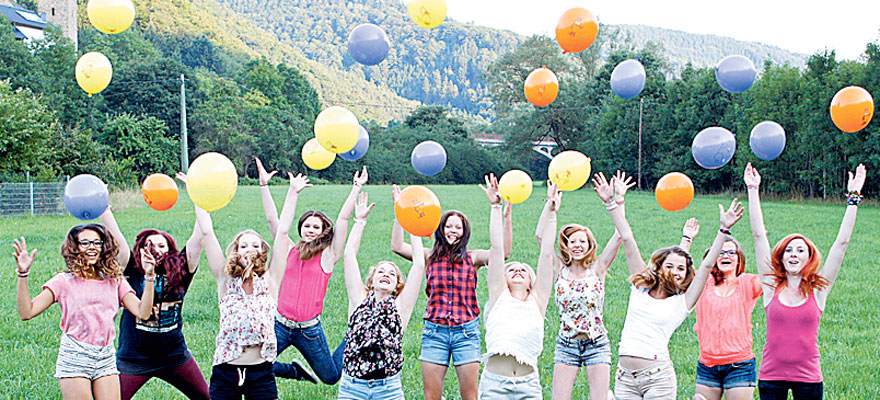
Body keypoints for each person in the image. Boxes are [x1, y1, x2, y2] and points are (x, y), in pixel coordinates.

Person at [595, 172, 743, 400]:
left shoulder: (683, 302)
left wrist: (723, 230)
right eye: (670, 266)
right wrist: (611, 203)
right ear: (659, 267)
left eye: (681, 269)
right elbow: (627, 237)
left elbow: (705, 266)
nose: (675, 271)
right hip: (624, 378)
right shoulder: (640, 286)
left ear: (686, 275)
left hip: (658, 378)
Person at [744, 162, 865, 400]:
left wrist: (853, 198)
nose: (793, 254)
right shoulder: (771, 287)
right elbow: (759, 236)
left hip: (808, 378)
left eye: (800, 250)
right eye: (789, 250)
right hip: (772, 377)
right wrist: (752, 189)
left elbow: (841, 245)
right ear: (781, 255)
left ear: (809, 258)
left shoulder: (819, 290)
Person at [390, 182, 513, 400]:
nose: (452, 231)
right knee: (432, 396)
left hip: (466, 332)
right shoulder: (428, 256)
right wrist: (400, 211)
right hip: (434, 332)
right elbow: (398, 246)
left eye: (458, 227)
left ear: (464, 232)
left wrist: (504, 216)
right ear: (440, 229)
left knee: (470, 395)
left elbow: (502, 253)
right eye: (448, 226)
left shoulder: (473, 257)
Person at [100, 172, 210, 400]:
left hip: (175, 355)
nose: (155, 249)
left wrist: (199, 197)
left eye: (161, 245)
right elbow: (115, 237)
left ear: (170, 250)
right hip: (134, 358)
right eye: (149, 245)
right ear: (140, 250)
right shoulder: (131, 270)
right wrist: (103, 206)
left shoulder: (181, 269)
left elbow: (200, 237)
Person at [15, 224, 156, 400]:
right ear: (75, 248)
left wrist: (150, 275)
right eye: (85, 243)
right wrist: (23, 273)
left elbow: (143, 312)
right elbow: (27, 312)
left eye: (97, 242)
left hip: (105, 356)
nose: (92, 247)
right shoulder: (63, 282)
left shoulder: (115, 281)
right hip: (75, 355)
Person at [258, 159, 367, 384]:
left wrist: (356, 187)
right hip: (280, 324)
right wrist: (266, 187)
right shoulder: (287, 249)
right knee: (255, 365)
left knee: (330, 377)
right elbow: (274, 220)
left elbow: (343, 219)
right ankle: (294, 371)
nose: (310, 230)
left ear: (323, 231)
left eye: (316, 227)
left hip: (309, 331)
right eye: (307, 225)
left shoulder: (328, 256)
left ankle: (355, 334)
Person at [539, 172, 632, 400]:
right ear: (566, 246)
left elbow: (621, 235)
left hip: (597, 343)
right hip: (567, 344)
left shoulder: (598, 269)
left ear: (590, 245)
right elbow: (542, 237)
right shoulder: (559, 270)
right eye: (573, 241)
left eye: (582, 241)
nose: (577, 245)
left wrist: (618, 200)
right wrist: (551, 207)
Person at [337, 192, 427, 399]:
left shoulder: (401, 306)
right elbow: (349, 255)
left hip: (388, 389)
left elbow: (419, 263)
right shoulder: (359, 299)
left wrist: (410, 222)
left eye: (392, 273)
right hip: (352, 387)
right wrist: (360, 221)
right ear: (371, 280)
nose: (386, 274)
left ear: (397, 284)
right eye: (381, 271)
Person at [478, 174, 555, 399]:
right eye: (511, 269)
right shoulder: (498, 296)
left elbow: (547, 255)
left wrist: (551, 211)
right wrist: (495, 208)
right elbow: (496, 248)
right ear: (503, 277)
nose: (518, 270)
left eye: (523, 269)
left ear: (531, 281)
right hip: (494, 385)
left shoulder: (537, 301)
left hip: (528, 385)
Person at [198, 200, 280, 400]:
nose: (249, 249)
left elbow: (283, 233)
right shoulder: (225, 282)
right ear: (236, 252)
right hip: (226, 373)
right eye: (243, 245)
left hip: (261, 374)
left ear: (262, 252)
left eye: (255, 245)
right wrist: (198, 197)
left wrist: (292, 192)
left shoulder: (270, 280)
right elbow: (207, 234)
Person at [691, 233, 762, 400]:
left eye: (731, 252)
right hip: (707, 364)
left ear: (739, 258)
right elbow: (677, 270)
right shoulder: (703, 282)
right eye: (721, 252)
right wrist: (687, 239)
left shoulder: (747, 282)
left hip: (740, 365)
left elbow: (770, 277)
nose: (725, 256)